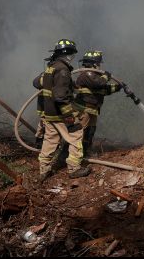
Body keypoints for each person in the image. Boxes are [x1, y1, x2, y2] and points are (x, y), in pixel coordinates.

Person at [56, 50, 138, 165]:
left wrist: (118, 87)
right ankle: (63, 158)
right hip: (83, 110)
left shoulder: (94, 77)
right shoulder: (86, 74)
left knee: (89, 132)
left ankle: (85, 153)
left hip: (92, 111)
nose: (100, 66)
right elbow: (99, 83)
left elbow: (103, 90)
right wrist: (106, 76)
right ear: (94, 64)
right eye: (98, 63)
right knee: (77, 133)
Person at [32, 39, 91, 182]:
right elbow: (60, 96)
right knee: (76, 135)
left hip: (49, 113)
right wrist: (69, 116)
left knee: (50, 141)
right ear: (67, 53)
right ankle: (74, 169)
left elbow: (40, 83)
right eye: (72, 54)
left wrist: (72, 87)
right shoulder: (63, 70)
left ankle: (44, 171)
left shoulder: (51, 68)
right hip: (60, 114)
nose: (73, 57)